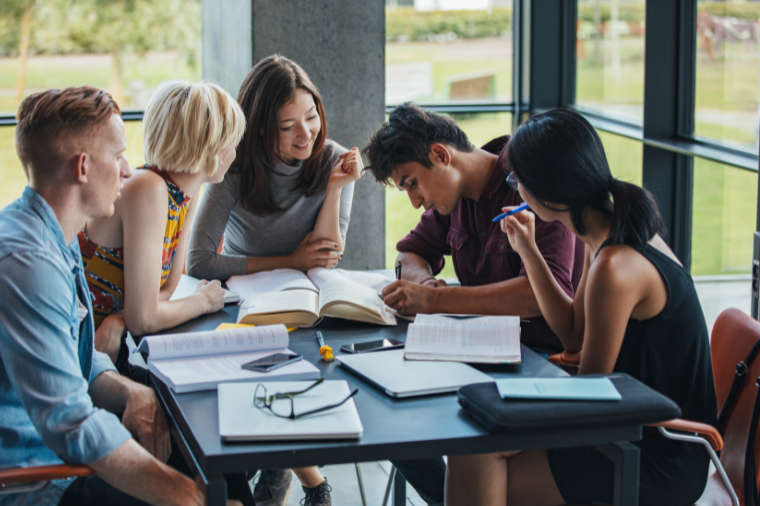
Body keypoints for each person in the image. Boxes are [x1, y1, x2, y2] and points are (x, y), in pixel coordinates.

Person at [446, 109, 717, 506]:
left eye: (517, 181)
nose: (515, 190)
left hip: (655, 454)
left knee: (475, 454)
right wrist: (529, 251)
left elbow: (589, 394)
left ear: (541, 189)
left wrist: (512, 411)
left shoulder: (616, 265)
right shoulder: (608, 232)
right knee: (477, 442)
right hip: (634, 426)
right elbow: (573, 332)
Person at [0, 86, 251, 506]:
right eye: (117, 156)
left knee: (213, 449)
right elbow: (72, 424)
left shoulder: (48, 234)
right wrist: (189, 498)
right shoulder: (30, 264)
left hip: (59, 456)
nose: (126, 169)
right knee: (207, 472)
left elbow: (73, 357)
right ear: (83, 167)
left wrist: (127, 390)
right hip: (40, 481)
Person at [361, 103, 584, 505]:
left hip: (542, 365)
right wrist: (422, 282)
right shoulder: (454, 199)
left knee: (447, 433)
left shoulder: (531, 181)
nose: (415, 201)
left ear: (441, 155)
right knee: (389, 421)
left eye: (412, 183)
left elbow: (541, 293)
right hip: (479, 359)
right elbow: (410, 252)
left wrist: (436, 299)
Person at [187, 55, 362, 506]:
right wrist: (288, 258)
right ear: (262, 129)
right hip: (250, 304)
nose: (306, 134)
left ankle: (293, 480)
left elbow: (328, 256)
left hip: (308, 303)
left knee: (293, 372)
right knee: (252, 381)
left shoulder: (335, 159)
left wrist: (336, 186)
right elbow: (200, 259)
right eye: (288, 126)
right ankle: (307, 482)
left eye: (311, 117)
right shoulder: (237, 167)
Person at [78, 80, 245, 371]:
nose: (235, 152)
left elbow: (167, 288)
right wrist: (203, 301)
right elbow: (144, 318)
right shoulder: (148, 189)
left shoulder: (185, 194)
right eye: (233, 141)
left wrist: (120, 318)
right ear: (215, 149)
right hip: (79, 350)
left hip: (106, 348)